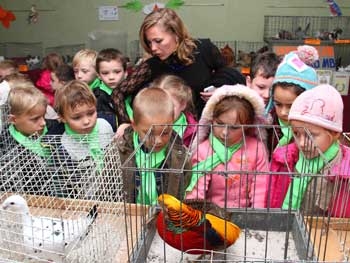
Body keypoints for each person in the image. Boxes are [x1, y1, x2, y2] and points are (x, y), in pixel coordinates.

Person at [112, 8, 226, 124]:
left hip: (207, 127)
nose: (153, 48)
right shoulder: (152, 66)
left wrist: (221, 90)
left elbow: (228, 73)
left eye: (158, 41)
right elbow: (118, 93)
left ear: (176, 34)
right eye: (149, 42)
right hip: (168, 134)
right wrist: (126, 124)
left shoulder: (203, 49)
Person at [270, 84, 350, 218]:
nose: (302, 143)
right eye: (296, 133)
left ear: (335, 134)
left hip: (322, 232)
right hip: (285, 226)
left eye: (311, 135)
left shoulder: (344, 169)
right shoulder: (284, 158)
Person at [185, 85, 269, 208]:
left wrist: (256, 216)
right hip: (211, 215)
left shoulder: (257, 148)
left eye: (234, 127)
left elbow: (260, 188)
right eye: (219, 124)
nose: (224, 132)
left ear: (248, 125)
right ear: (211, 120)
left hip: (245, 215)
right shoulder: (203, 151)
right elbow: (197, 192)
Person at [115, 87, 191, 205]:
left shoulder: (180, 156)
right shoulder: (121, 151)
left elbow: (184, 185)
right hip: (132, 214)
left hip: (164, 216)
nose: (158, 140)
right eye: (150, 133)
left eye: (165, 132)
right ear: (134, 126)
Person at [265, 45, 318, 151]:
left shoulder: (316, 130)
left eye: (291, 105)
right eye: (278, 104)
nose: (283, 112)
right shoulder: (268, 123)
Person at [0, 85, 51, 194]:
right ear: (13, 119)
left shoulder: (51, 128)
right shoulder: (6, 147)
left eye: (43, 116)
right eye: (35, 119)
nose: (43, 123)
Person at [155, 74, 197, 147]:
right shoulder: (144, 125)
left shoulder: (196, 132)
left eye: (171, 105)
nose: (164, 111)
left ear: (183, 104)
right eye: (158, 104)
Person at [94, 48, 128, 132]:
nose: (111, 77)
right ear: (98, 75)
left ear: (125, 73)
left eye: (117, 72)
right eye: (105, 73)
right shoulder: (96, 96)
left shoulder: (131, 93)